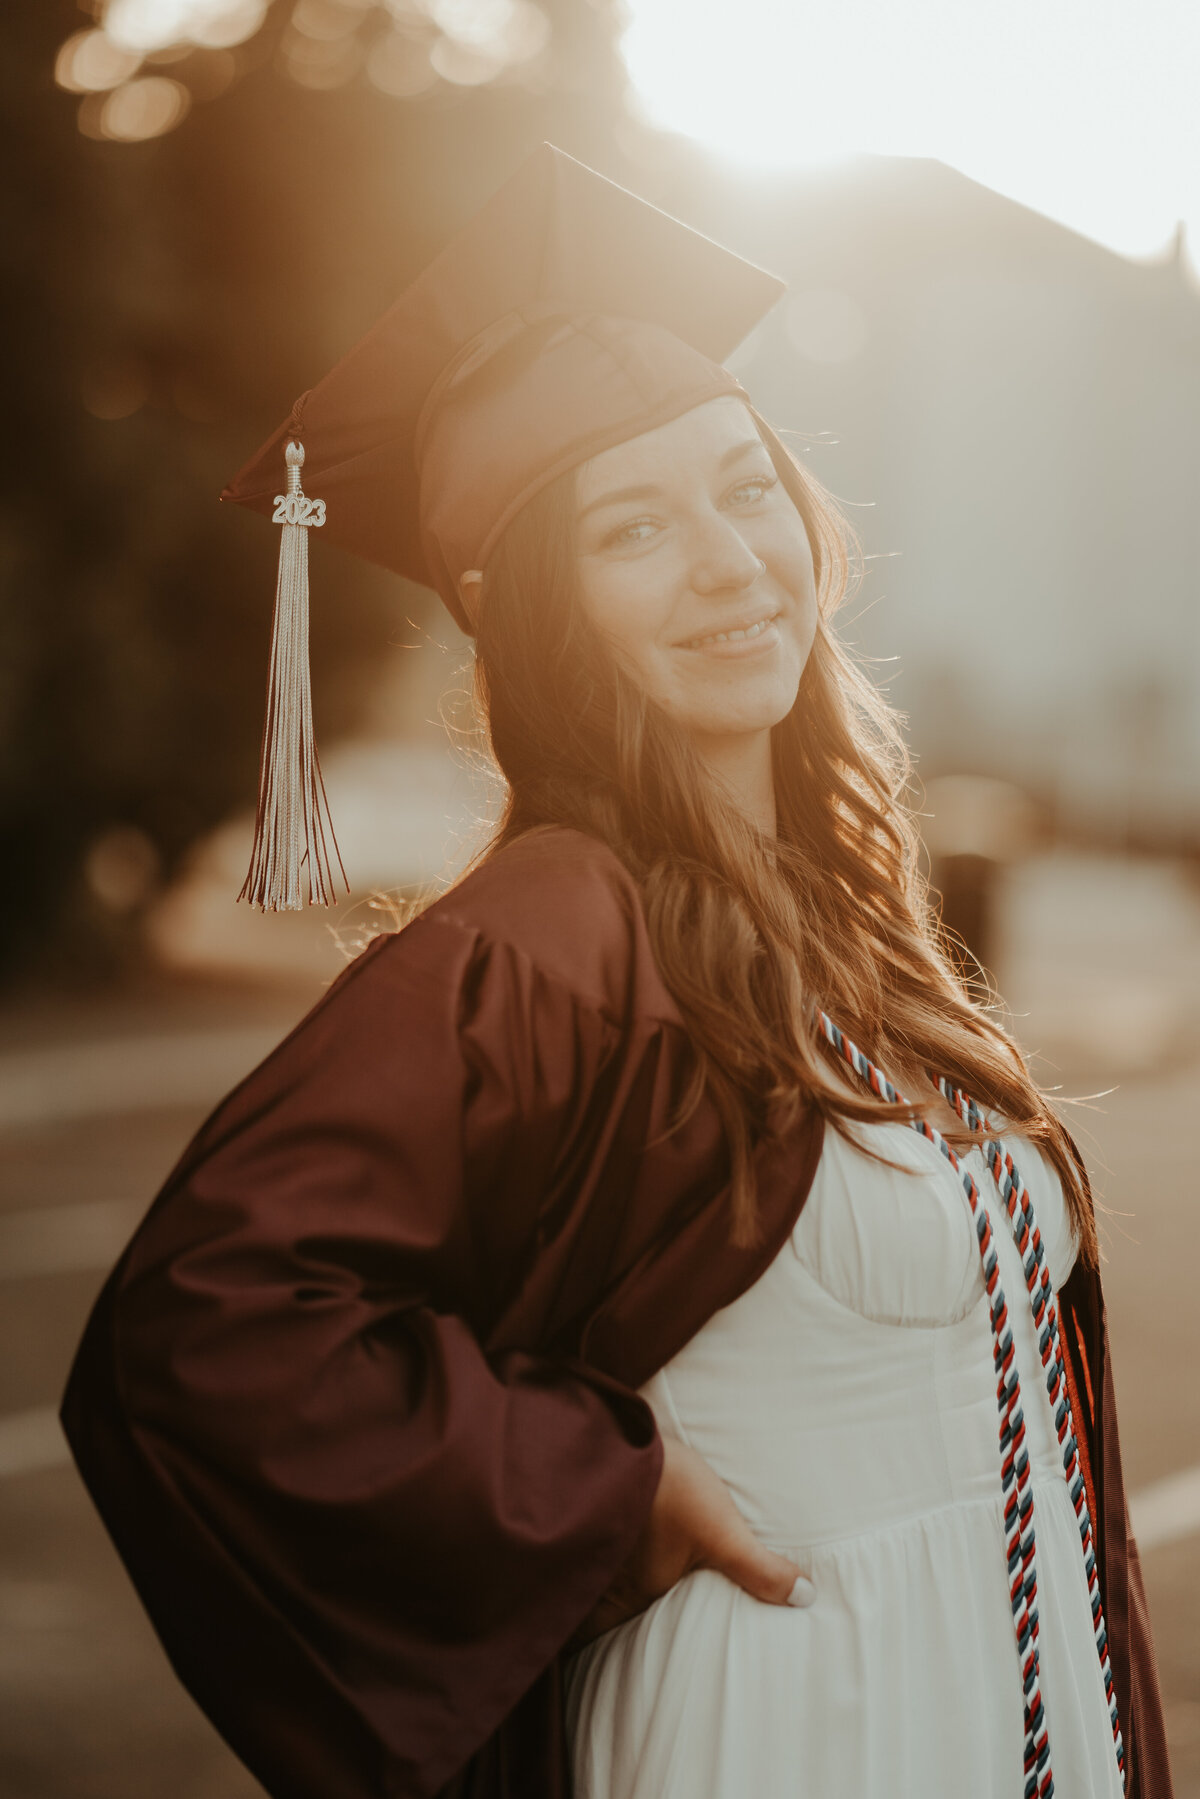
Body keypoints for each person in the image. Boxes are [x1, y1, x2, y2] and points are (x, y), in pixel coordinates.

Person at [62, 145, 1171, 1799]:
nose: (728, 560)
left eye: (744, 486)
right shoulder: (561, 930)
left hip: (999, 1685)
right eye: (631, 528)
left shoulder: (849, 919)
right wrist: (603, 1494)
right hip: (795, 1717)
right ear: (536, 618)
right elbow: (200, 1336)